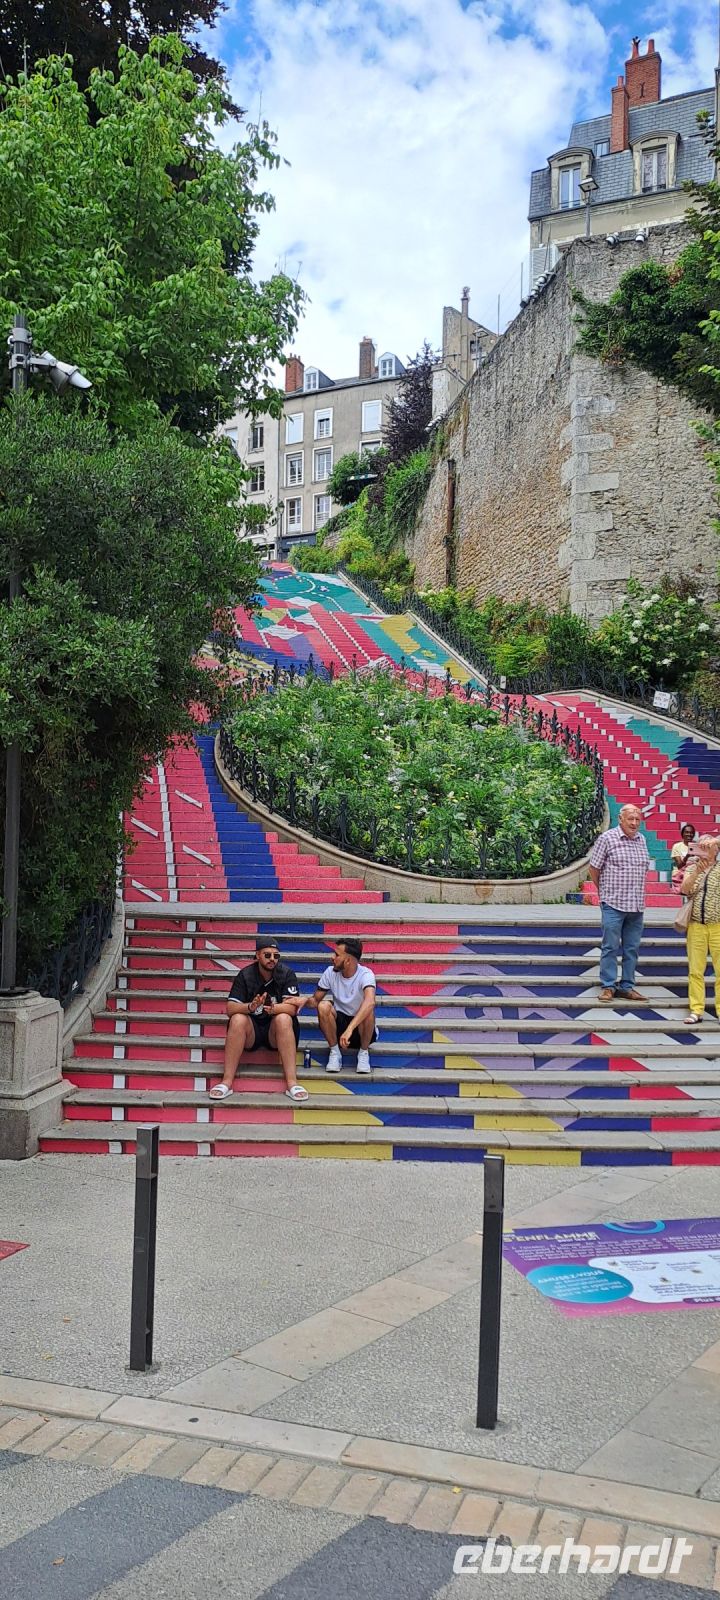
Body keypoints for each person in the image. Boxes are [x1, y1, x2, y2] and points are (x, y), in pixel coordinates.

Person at [209, 936, 309, 1101]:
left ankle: (292, 1083)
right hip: (252, 1032)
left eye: (276, 955)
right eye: (267, 955)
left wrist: (273, 1009)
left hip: (275, 1032)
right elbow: (230, 1008)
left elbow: (292, 1008)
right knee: (237, 1019)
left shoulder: (286, 973)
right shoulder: (246, 974)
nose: (272, 959)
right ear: (257, 955)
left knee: (284, 1018)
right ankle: (226, 1082)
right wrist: (251, 1006)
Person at [587, 803, 650, 1003]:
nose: (634, 823)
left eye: (637, 819)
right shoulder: (607, 838)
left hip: (636, 905)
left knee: (632, 949)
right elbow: (594, 868)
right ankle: (608, 986)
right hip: (613, 903)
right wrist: (603, 891)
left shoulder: (642, 839)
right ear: (620, 819)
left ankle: (627, 987)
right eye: (630, 819)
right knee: (610, 947)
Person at [313, 936, 378, 1075]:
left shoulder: (366, 974)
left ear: (348, 960)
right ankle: (335, 1053)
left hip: (361, 1030)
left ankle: (363, 1053)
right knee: (323, 1006)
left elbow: (370, 1001)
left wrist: (350, 1029)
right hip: (339, 1028)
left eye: (337, 955)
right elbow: (315, 1000)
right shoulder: (330, 972)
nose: (332, 957)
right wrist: (300, 1001)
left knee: (368, 1011)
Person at [681, 835, 720, 1025]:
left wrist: (715, 840)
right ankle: (696, 1009)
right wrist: (697, 871)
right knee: (696, 970)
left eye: (708, 846)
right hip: (696, 925)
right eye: (702, 846)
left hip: (718, 925)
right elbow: (684, 890)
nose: (705, 849)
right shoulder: (692, 868)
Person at [671, 822, 696, 894]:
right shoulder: (677, 846)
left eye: (691, 833)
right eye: (687, 832)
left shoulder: (696, 846)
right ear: (682, 834)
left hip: (693, 872)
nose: (689, 834)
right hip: (681, 873)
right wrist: (687, 856)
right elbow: (679, 866)